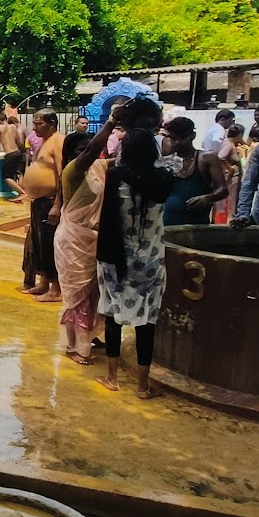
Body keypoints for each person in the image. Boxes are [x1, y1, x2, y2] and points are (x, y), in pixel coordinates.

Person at [96, 120, 171, 397]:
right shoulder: (165, 178)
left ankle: (112, 377)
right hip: (151, 260)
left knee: (113, 316)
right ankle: (142, 386)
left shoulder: (116, 176)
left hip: (117, 258)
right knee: (147, 321)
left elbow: (107, 216)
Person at [56, 115, 114, 364]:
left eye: (86, 149)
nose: (85, 154)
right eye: (80, 150)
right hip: (73, 241)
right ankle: (76, 348)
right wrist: (111, 122)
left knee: (94, 294)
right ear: (71, 154)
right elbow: (92, 152)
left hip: (93, 239)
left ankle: (88, 336)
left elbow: (120, 161)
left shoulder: (98, 169)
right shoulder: (72, 171)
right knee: (76, 296)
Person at [20, 110, 64, 301]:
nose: (35, 127)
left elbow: (63, 174)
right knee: (39, 244)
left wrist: (57, 204)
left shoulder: (58, 141)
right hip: (39, 201)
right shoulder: (44, 142)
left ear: (51, 123)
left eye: (39, 124)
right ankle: (44, 282)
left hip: (50, 201)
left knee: (49, 244)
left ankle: (55, 288)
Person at [159, 116, 226, 227]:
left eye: (182, 138)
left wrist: (206, 198)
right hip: (166, 225)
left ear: (193, 136)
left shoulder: (206, 158)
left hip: (197, 227)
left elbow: (223, 190)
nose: (177, 142)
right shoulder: (165, 160)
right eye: (173, 138)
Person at [217, 123, 245, 223]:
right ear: (240, 134)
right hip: (230, 179)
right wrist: (230, 169)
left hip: (231, 178)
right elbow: (221, 157)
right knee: (230, 201)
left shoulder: (228, 143)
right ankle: (228, 222)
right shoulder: (228, 144)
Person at [0, 112, 25, 200]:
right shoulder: (13, 127)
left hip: (10, 154)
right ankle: (20, 195)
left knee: (7, 177)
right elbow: (18, 141)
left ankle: (22, 193)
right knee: (19, 175)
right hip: (17, 152)